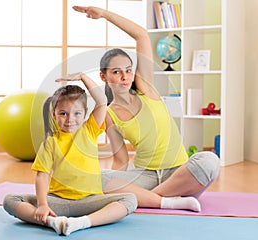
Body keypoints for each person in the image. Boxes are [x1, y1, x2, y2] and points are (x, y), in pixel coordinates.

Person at [73, 6, 220, 212]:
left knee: (209, 161)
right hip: (145, 175)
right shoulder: (108, 114)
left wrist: (105, 14)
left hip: (179, 173)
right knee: (98, 178)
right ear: (103, 76)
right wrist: (115, 182)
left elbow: (141, 35)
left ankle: (150, 199)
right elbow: (121, 160)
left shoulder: (146, 88)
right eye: (116, 72)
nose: (125, 77)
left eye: (128, 70)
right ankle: (168, 200)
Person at [3, 72, 137, 236]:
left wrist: (83, 77)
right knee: (10, 200)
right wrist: (43, 204)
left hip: (90, 201)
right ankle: (53, 221)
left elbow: (102, 101)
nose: (69, 119)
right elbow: (42, 176)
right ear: (54, 114)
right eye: (63, 113)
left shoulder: (90, 130)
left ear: (85, 113)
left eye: (76, 113)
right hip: (57, 202)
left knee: (130, 199)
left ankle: (81, 223)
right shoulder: (51, 142)